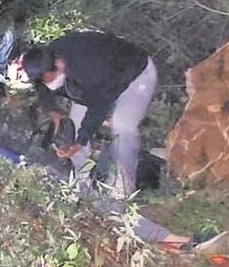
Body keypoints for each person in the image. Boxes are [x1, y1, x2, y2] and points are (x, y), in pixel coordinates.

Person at [22, 30, 157, 198]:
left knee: (122, 124)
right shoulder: (45, 58)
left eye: (49, 79)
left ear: (58, 66)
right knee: (75, 125)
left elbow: (99, 107)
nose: (47, 84)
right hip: (98, 81)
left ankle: (121, 190)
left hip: (136, 75)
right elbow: (41, 87)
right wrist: (54, 114)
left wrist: (80, 141)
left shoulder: (88, 68)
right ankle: (80, 182)